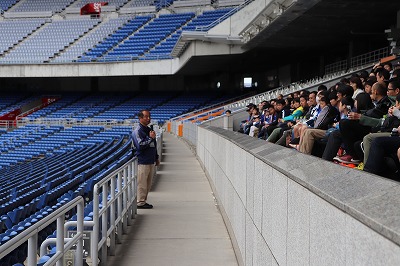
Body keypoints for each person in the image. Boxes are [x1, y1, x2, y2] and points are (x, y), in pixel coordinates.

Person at [132, 109, 160, 209]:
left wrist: (156, 157)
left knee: (148, 184)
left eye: (149, 116)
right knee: (142, 183)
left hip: (150, 160)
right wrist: (150, 138)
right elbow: (140, 145)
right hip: (142, 161)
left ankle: (143, 201)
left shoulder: (148, 130)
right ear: (140, 118)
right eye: (146, 116)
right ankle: (140, 202)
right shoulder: (137, 131)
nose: (148, 118)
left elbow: (153, 145)